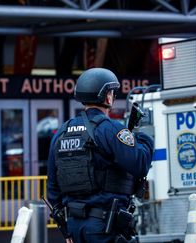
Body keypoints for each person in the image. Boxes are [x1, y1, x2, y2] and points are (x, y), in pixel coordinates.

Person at [47, 68, 154, 243]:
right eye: (111, 92)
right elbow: (140, 163)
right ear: (107, 96)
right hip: (104, 226)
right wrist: (143, 137)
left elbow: (52, 186)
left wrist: (67, 231)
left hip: (74, 227)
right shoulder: (110, 129)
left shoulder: (61, 132)